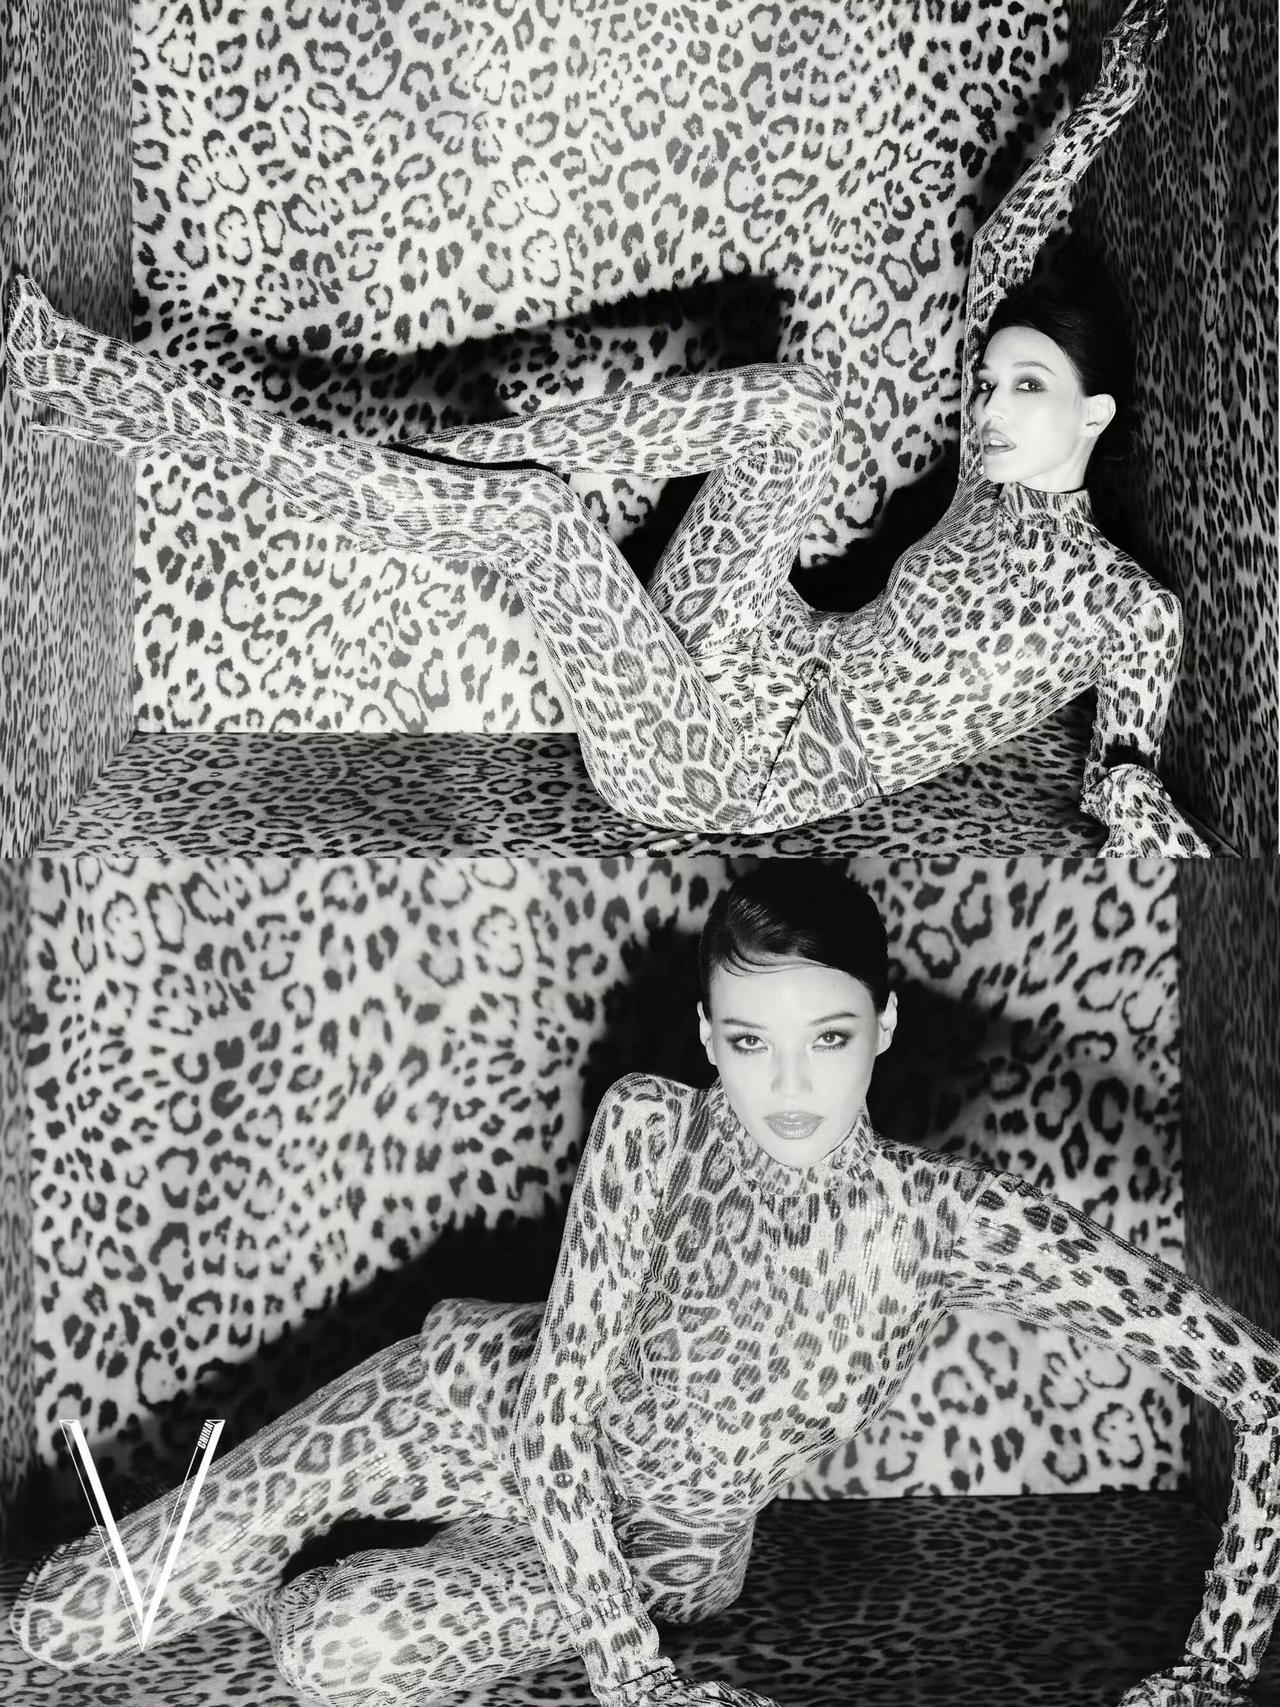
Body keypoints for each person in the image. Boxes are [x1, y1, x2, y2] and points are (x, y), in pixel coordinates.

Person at [12, 864, 1278, 1706]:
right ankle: (241, 1543)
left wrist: (1216, 1671)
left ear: (882, 1026)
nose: (788, 1086)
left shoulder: (947, 1221)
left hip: (650, 1547)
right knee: (56, 1620)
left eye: (828, 1038)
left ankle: (295, 1575)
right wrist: (633, 1681)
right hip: (464, 1403)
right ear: (708, 1036)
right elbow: (552, 1420)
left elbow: (1258, 1386)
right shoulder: (654, 1127)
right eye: (750, 1041)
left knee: (331, 1650)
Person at [2, 3, 1205, 859]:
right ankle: (452, 469)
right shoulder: (990, 492)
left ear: (1093, 412)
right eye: (986, 385)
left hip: (729, 767)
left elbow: (1125, 792)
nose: (985, 411)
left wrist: (1152, 818)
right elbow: (1000, 251)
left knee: (534, 521)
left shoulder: (1126, 611)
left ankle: (93, 386)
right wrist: (1105, 102)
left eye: (1023, 388)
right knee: (802, 409)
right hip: (763, 642)